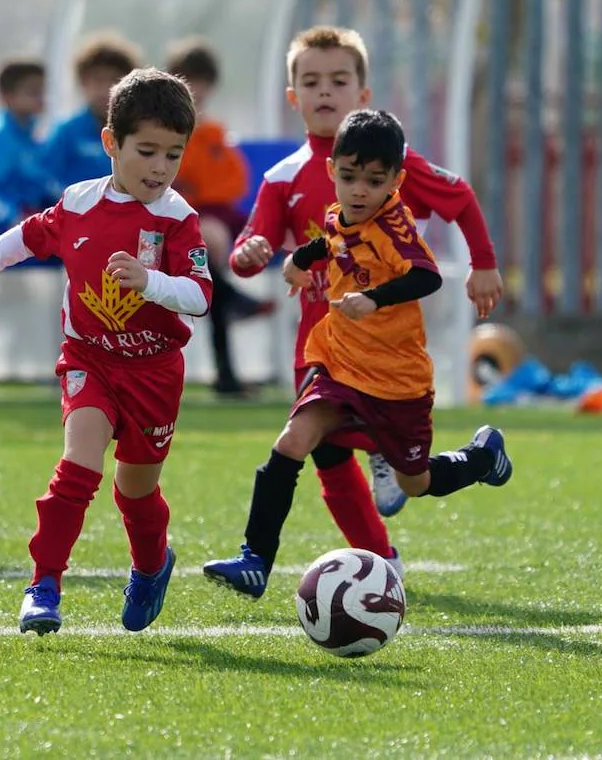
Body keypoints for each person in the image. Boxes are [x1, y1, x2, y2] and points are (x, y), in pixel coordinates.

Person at [0, 68, 208, 635]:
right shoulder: (79, 204)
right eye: (147, 151)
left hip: (153, 373)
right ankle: (43, 586)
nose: (160, 168)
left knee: (137, 492)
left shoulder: (178, 220)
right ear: (112, 143)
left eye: (173, 155)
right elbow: (23, 240)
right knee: (77, 469)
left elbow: (201, 297)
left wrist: (150, 283)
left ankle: (152, 565)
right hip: (89, 361)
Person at [203, 109, 512, 598]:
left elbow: (426, 275)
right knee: (292, 441)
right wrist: (299, 262)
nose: (360, 190)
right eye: (349, 178)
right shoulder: (339, 213)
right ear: (333, 174)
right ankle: (254, 559)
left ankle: (480, 458)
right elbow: (331, 241)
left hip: (395, 378)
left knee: (417, 481)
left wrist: (374, 299)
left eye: (374, 180)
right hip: (338, 363)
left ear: (396, 180)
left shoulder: (395, 226)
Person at [228, 24, 504, 550]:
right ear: (293, 98)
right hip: (319, 344)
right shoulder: (282, 177)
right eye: (311, 82)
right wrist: (250, 254)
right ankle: (378, 561)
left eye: (338, 80)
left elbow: (460, 197)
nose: (324, 91)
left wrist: (483, 263)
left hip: (384, 347)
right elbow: (252, 247)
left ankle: (389, 449)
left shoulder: (390, 160)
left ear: (363, 95)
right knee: (324, 460)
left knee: (407, 476)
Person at [164, 37, 274, 397]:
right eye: (188, 80)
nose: (196, 89)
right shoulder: (169, 130)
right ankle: (234, 313)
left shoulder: (212, 132)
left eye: (202, 81)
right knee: (208, 249)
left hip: (210, 217)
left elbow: (230, 183)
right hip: (177, 220)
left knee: (208, 260)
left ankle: (227, 367)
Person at [0, 58, 59, 231]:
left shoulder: (29, 134)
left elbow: (40, 182)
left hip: (29, 220)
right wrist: (15, 220)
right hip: (1, 232)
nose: (41, 98)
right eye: (33, 92)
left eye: (42, 91)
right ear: (7, 96)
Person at [45, 32, 141, 189]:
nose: (105, 89)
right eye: (98, 80)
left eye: (114, 80)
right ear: (83, 81)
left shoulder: (136, 132)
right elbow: (45, 180)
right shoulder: (66, 132)